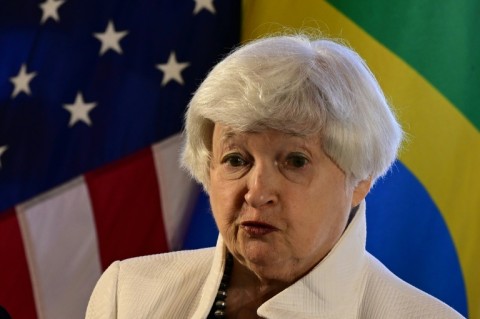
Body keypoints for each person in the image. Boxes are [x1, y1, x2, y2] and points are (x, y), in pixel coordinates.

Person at [85, 34, 464, 318]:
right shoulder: (128, 296)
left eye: (295, 161)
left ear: (359, 179)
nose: (258, 192)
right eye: (236, 159)